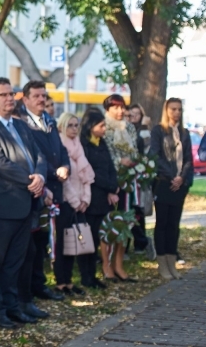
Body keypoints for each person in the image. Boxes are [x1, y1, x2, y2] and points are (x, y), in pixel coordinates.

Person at [0, 77, 46, 329]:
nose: (9, 98)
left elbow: (39, 155)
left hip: (25, 205)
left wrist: (40, 175)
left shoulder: (21, 125)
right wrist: (31, 180)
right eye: (3, 94)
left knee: (17, 260)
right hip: (2, 208)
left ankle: (12, 306)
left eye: (11, 94)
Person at [18, 81, 69, 305]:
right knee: (32, 244)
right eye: (37, 96)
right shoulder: (22, 123)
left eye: (43, 95)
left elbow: (61, 150)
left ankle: (40, 284)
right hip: (37, 189)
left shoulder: (49, 121)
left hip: (55, 188)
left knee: (42, 244)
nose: (41, 99)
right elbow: (33, 157)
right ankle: (27, 289)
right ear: (26, 99)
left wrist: (66, 166)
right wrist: (49, 174)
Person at [149, 98, 193, 280]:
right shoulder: (158, 131)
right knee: (163, 224)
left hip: (180, 185)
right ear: (166, 110)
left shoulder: (184, 133)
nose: (176, 112)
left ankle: (172, 262)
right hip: (163, 183)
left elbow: (189, 158)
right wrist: (171, 176)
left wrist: (182, 178)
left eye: (179, 109)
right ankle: (162, 265)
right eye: (173, 109)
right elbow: (155, 155)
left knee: (174, 225)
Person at [54, 112, 94, 296]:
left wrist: (86, 199)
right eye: (70, 125)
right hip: (66, 202)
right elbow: (65, 179)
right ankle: (61, 281)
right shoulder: (61, 145)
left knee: (76, 242)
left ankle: (69, 281)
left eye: (76, 125)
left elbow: (86, 176)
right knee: (64, 242)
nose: (74, 129)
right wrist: (75, 201)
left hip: (80, 202)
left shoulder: (79, 146)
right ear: (62, 126)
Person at [79, 109, 118, 289]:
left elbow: (110, 167)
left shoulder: (101, 143)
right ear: (90, 127)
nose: (104, 129)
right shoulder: (84, 145)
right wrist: (109, 186)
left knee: (96, 237)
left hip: (103, 198)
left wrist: (113, 187)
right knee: (87, 237)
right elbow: (91, 172)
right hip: (90, 197)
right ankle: (85, 276)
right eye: (101, 126)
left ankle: (93, 275)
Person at [102, 95, 139, 281]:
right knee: (110, 223)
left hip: (128, 181)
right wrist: (119, 162)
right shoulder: (104, 127)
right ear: (107, 109)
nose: (119, 111)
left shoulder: (130, 127)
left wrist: (135, 164)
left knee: (125, 222)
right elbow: (103, 155)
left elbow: (135, 152)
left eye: (121, 107)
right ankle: (106, 265)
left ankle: (119, 264)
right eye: (115, 108)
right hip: (110, 182)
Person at [126, 103, 154, 258]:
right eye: (131, 114)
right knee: (129, 211)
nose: (134, 117)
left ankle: (141, 243)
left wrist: (143, 128)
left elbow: (146, 150)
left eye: (137, 114)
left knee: (138, 212)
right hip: (128, 177)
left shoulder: (143, 131)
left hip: (139, 177)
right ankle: (137, 242)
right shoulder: (126, 130)